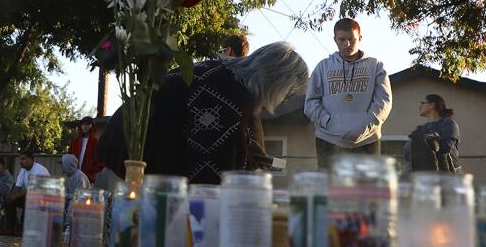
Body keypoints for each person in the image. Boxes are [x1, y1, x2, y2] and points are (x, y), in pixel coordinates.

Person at [97, 42, 310, 184]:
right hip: (130, 151)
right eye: (287, 95)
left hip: (124, 141)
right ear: (278, 84)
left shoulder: (223, 73)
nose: (283, 102)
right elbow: (209, 174)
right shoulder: (228, 94)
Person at [304, 18, 393, 168]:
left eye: (351, 39)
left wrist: (367, 124)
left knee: (366, 188)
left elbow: (384, 101)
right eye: (342, 39)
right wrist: (327, 122)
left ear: (360, 38)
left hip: (367, 139)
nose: (347, 44)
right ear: (335, 40)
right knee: (331, 188)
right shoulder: (323, 67)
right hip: (329, 138)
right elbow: (311, 102)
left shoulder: (376, 66)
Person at [404, 94, 462, 174]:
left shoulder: (449, 124)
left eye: (422, 103)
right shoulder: (421, 128)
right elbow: (408, 151)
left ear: (432, 105)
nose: (420, 105)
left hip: (449, 172)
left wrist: (430, 141)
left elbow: (445, 148)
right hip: (427, 172)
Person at [2, 151, 51, 233]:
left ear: (31, 160)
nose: (21, 162)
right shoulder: (23, 170)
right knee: (9, 202)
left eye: (23, 159)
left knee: (28, 201)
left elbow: (33, 190)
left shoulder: (39, 170)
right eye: (20, 159)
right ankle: (10, 228)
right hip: (31, 196)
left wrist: (15, 196)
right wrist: (10, 196)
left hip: (44, 199)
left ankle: (22, 229)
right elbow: (17, 187)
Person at [67, 117, 102, 183]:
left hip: (88, 178)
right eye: (83, 124)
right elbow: (69, 157)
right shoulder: (75, 142)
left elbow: (99, 162)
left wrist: (90, 171)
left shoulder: (96, 143)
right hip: (74, 177)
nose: (85, 126)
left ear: (92, 126)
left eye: (87, 124)